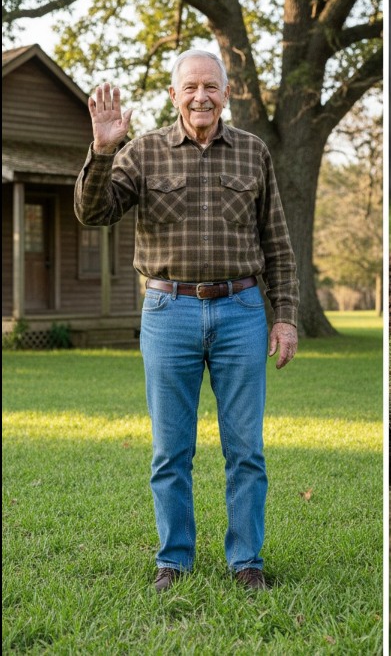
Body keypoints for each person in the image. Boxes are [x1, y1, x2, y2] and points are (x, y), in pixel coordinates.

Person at [75, 49, 299, 593]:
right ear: (174, 95)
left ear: (226, 94)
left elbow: (278, 243)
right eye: (190, 87)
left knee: (245, 449)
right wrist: (104, 150)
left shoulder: (254, 153)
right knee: (170, 450)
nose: (201, 97)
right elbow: (92, 212)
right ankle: (173, 560)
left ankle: (246, 561)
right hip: (167, 310)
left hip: (242, 310)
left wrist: (285, 316)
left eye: (211, 87)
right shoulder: (144, 152)